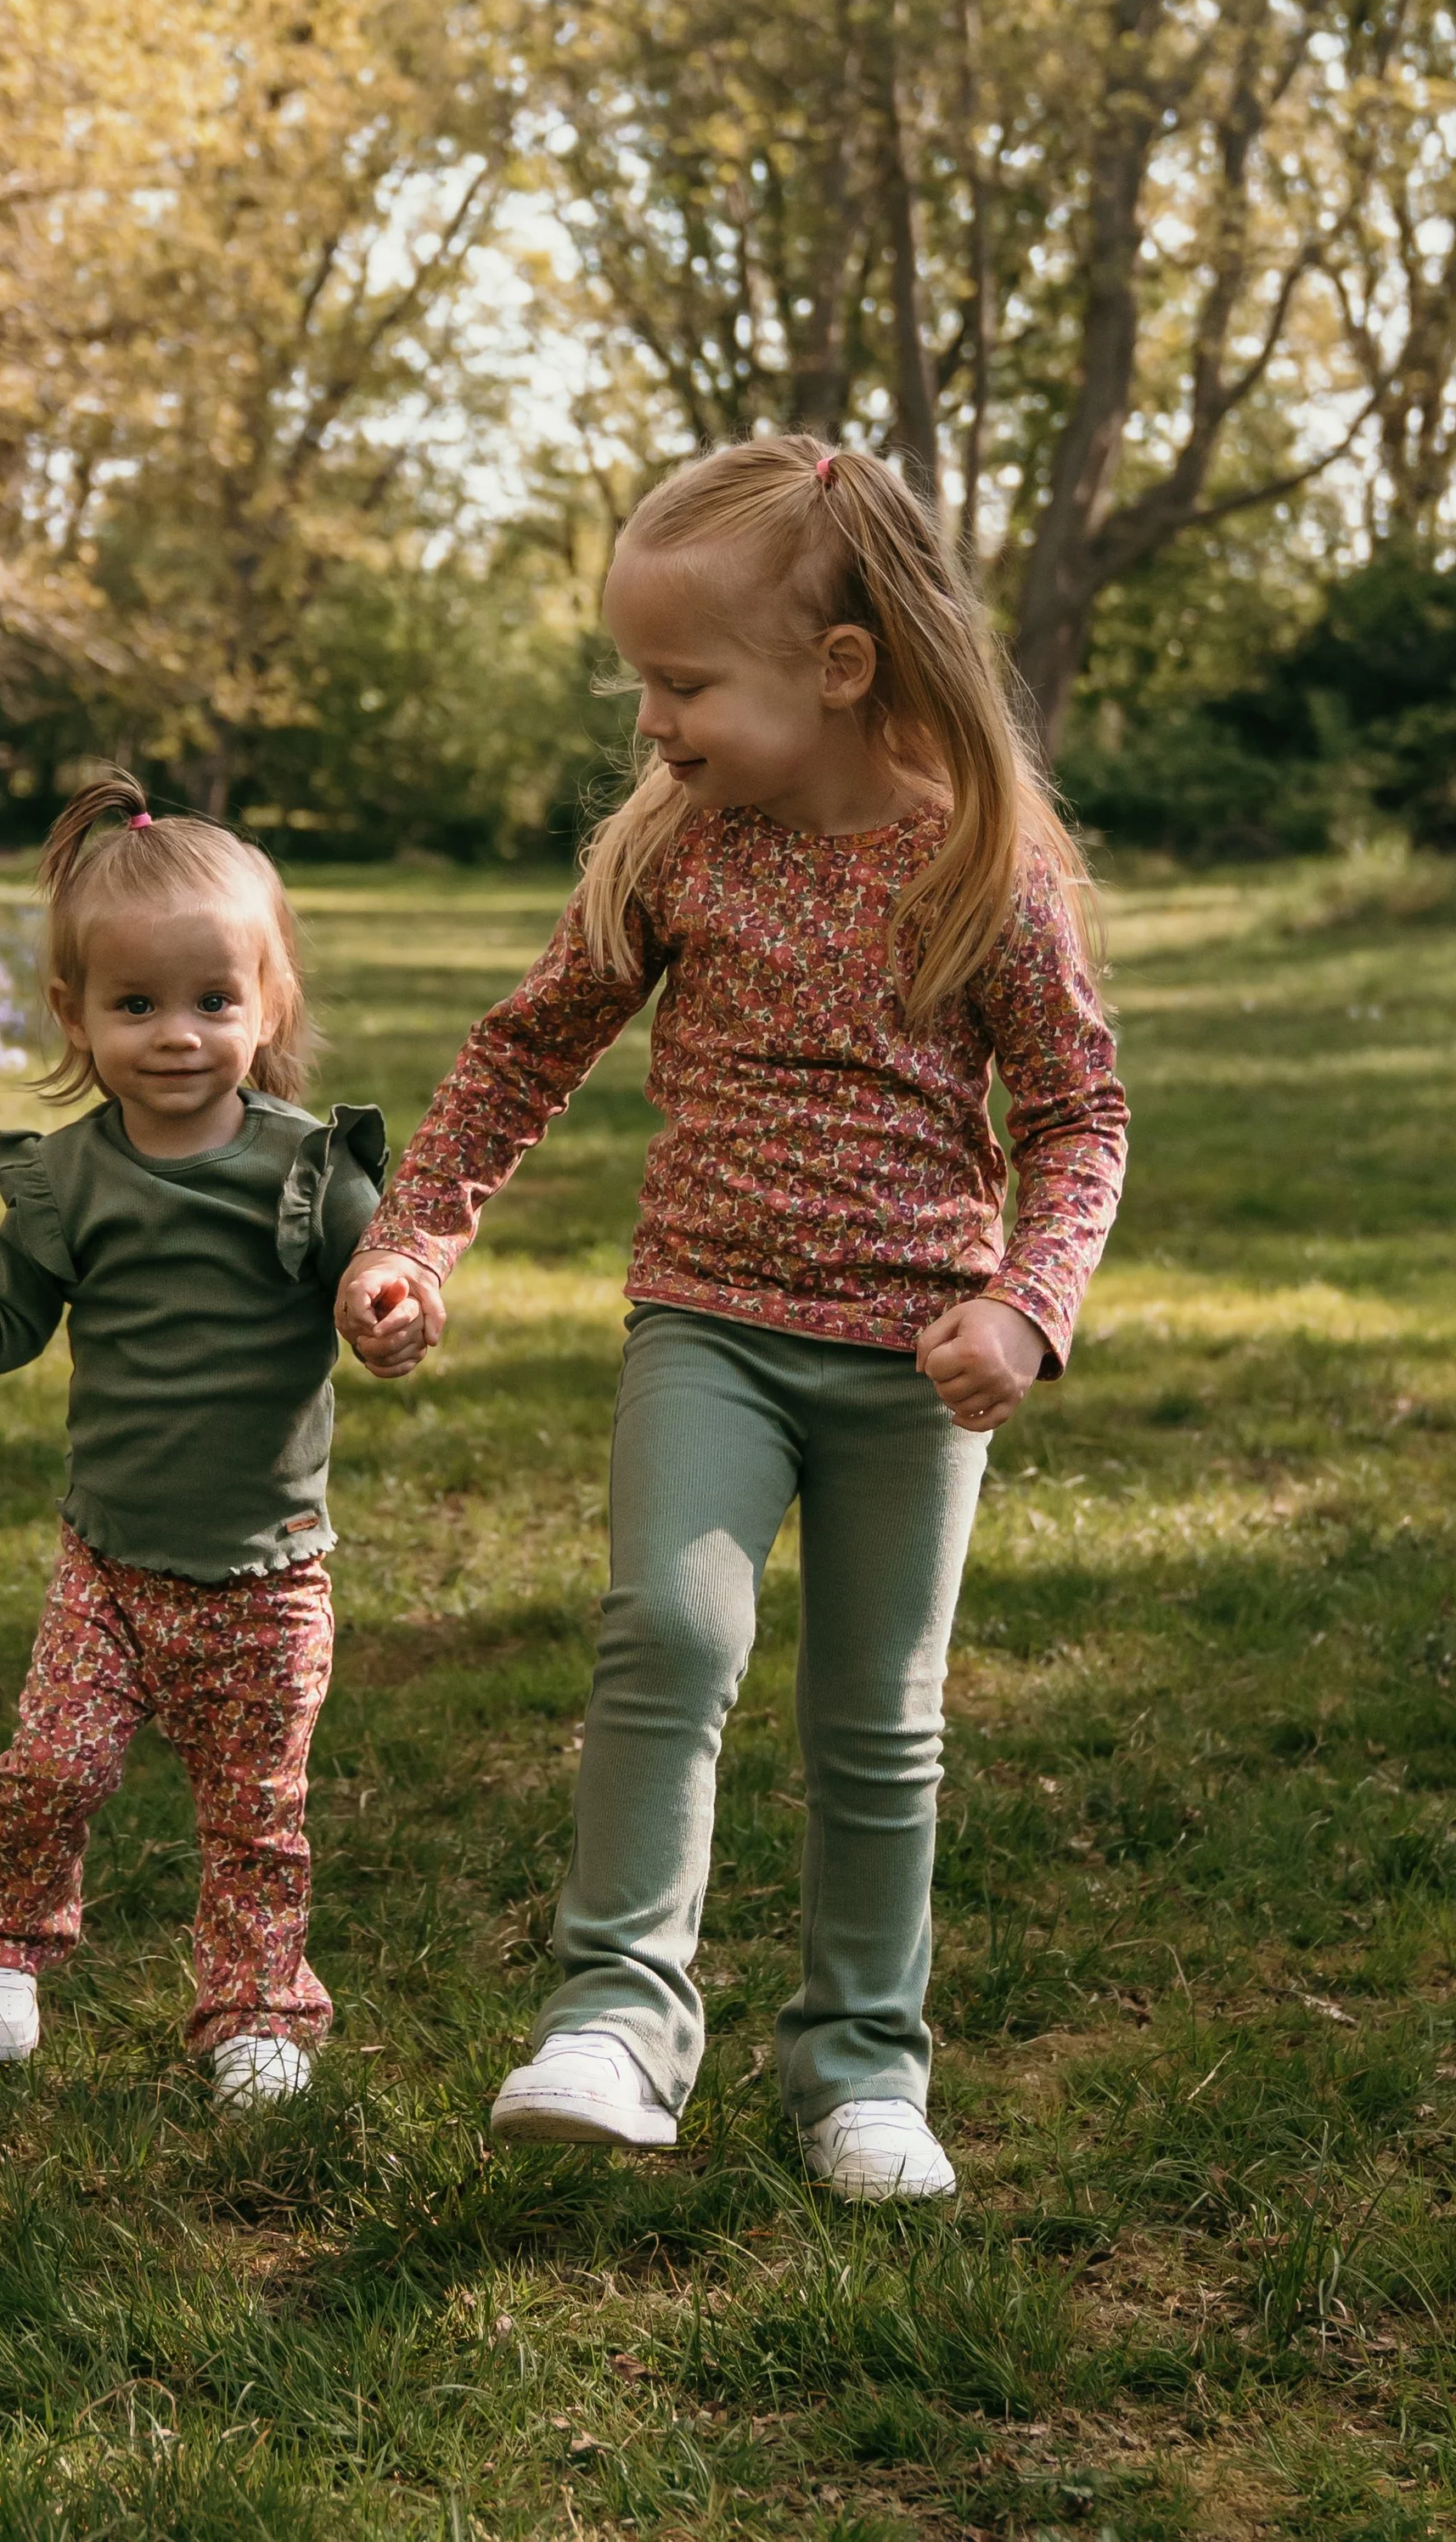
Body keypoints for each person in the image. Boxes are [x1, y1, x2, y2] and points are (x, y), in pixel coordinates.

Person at [338, 440, 1127, 2198]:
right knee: (667, 1640)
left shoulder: (978, 874)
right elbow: (521, 1048)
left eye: (681, 682)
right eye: (641, 680)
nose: (649, 722)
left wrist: (1025, 1307)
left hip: (913, 1362)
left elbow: (1077, 1114)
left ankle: (859, 2065)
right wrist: (417, 1242)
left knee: (876, 1718)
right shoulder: (682, 854)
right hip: (705, 1324)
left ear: (835, 668)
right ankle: (615, 2019)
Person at [0, 771, 386, 2110]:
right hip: (111, 1563)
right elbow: (9, 1327)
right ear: (74, 1013)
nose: (177, 1036)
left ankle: (256, 2008)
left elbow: (381, 1289)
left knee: (257, 1814)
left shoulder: (314, 1172)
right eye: (136, 1005)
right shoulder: (68, 1178)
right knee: (56, 1760)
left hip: (268, 1573)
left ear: (270, 1003)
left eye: (212, 1001)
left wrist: (398, 1309)